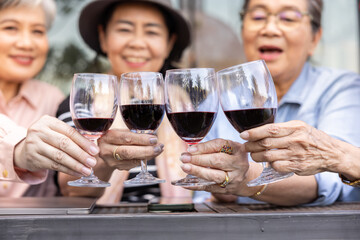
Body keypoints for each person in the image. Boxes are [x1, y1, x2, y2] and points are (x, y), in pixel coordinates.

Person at [179, 0, 360, 206]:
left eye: (288, 18)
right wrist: (220, 181)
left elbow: (333, 177)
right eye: (258, 17)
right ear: (243, 32)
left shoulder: (341, 88)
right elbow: (208, 193)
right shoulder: (221, 102)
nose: (269, 29)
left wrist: (244, 179)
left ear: (314, 39)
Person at [57, 0, 192, 202]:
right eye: (124, 29)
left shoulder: (188, 106)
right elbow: (71, 190)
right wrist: (104, 159)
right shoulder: (81, 104)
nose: (137, 43)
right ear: (103, 37)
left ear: (169, 44)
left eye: (151, 32)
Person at [0, 0, 99, 197]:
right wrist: (19, 148)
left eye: (37, 31)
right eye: (10, 28)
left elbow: (65, 188)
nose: (26, 44)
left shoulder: (54, 100)